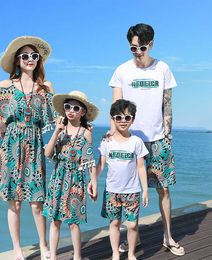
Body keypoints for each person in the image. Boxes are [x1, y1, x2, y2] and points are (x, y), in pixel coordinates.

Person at [0, 36, 57, 260]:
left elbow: (59, 117)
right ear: (17, 61)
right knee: (15, 202)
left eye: (34, 56)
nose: (30, 59)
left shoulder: (45, 88)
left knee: (37, 202)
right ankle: (17, 249)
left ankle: (43, 245)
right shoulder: (6, 86)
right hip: (11, 145)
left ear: (39, 61)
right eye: (25, 56)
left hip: (35, 144)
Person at [108, 23, 185, 256]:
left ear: (150, 44)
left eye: (142, 47)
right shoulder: (122, 71)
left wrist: (168, 134)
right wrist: (113, 136)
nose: (138, 52)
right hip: (131, 141)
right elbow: (115, 107)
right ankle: (135, 238)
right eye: (133, 48)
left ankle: (168, 238)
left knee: (164, 190)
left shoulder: (162, 69)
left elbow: (167, 104)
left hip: (159, 139)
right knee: (130, 191)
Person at [42, 90, 98, 260]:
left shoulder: (86, 133)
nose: (71, 110)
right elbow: (48, 153)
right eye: (67, 107)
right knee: (55, 220)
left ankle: (77, 257)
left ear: (83, 112)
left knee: (73, 222)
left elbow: (89, 161)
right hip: (58, 179)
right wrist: (56, 132)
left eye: (75, 107)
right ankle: (52, 256)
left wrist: (93, 182)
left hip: (76, 181)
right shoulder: (60, 129)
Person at [97, 99, 149, 260]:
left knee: (132, 224)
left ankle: (132, 253)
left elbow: (141, 167)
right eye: (118, 117)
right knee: (114, 223)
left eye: (127, 117)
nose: (123, 121)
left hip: (132, 191)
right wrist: (92, 182)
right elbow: (101, 164)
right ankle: (115, 253)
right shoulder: (107, 141)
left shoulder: (136, 142)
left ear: (132, 120)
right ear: (112, 119)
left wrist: (145, 190)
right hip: (112, 190)